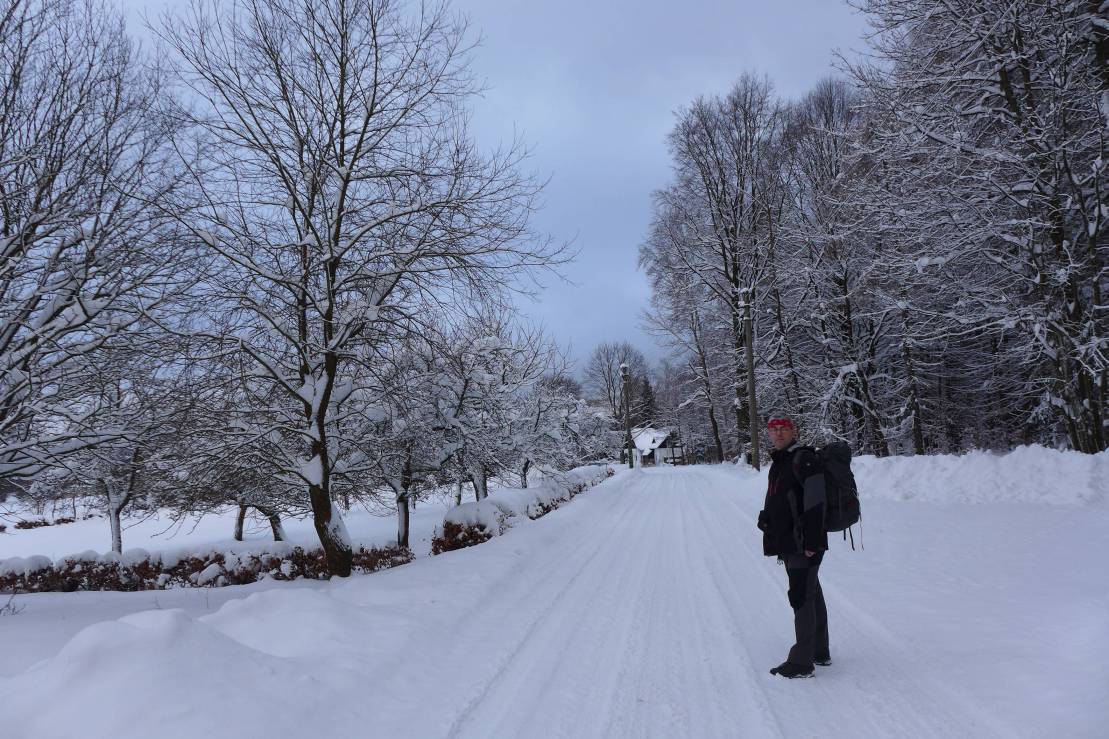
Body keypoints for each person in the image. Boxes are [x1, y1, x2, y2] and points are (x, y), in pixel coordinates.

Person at [757, 413, 830, 679]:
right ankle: (819, 651)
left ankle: (802, 662)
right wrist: (768, 519)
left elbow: (815, 501)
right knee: (812, 592)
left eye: (784, 429)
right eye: (773, 429)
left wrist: (812, 541)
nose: (778, 433)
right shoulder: (781, 460)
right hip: (791, 540)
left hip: (804, 543)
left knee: (801, 596)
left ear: (793, 431)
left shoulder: (804, 458)